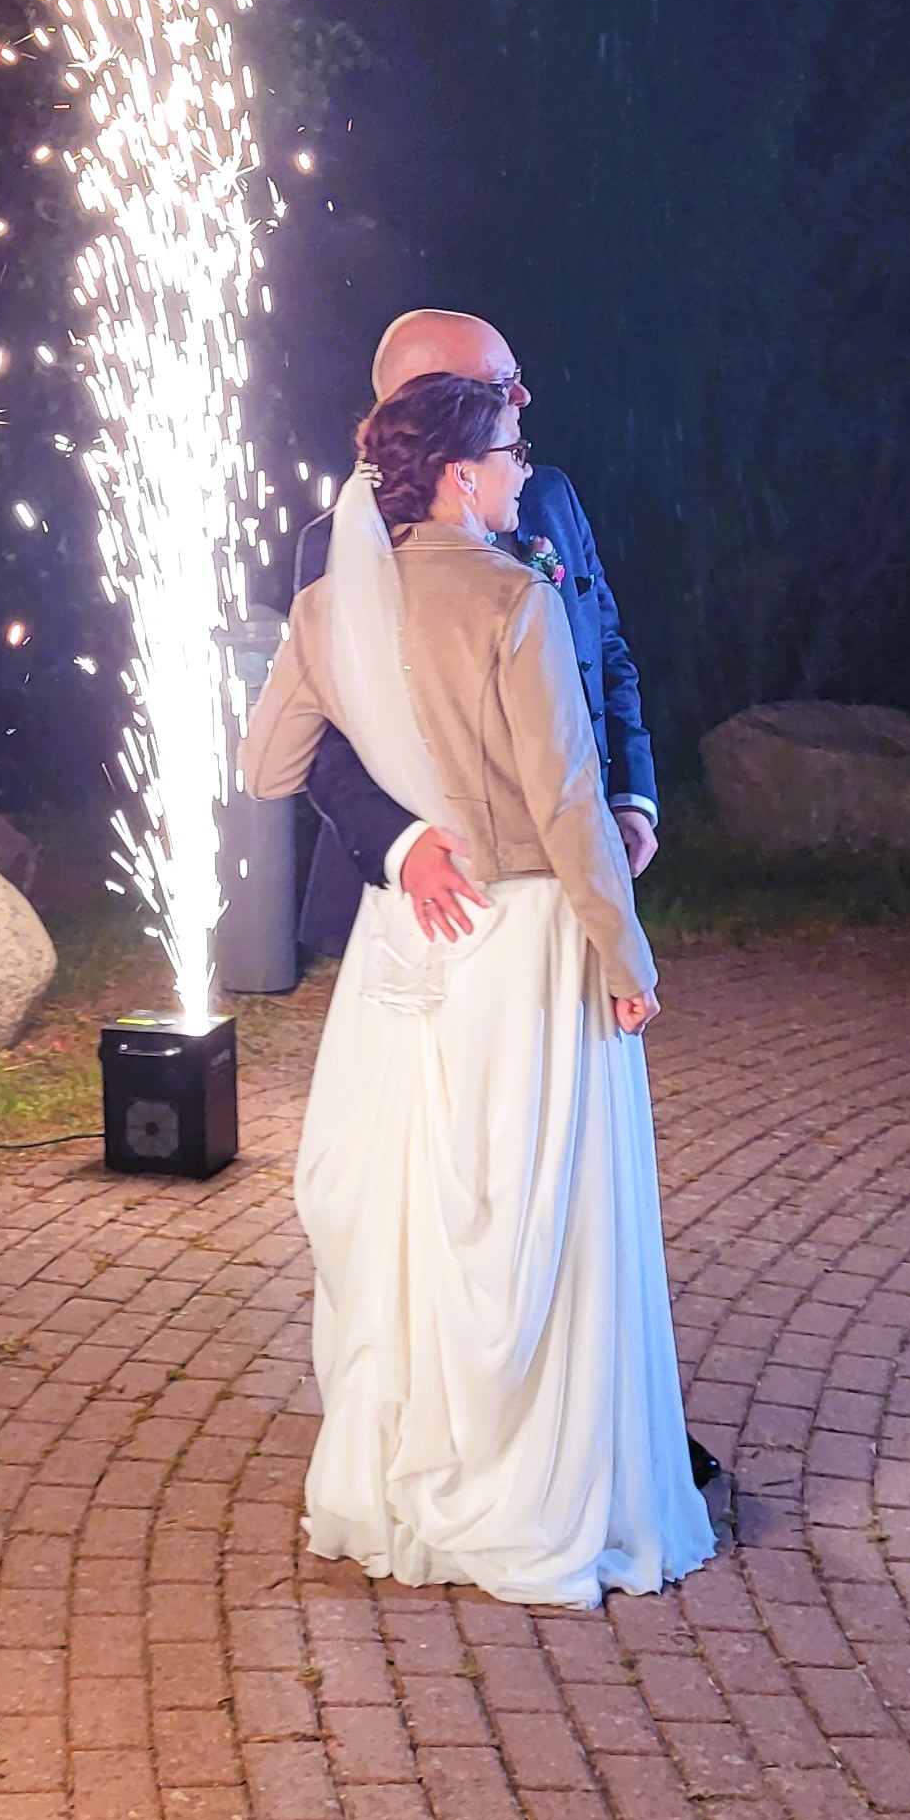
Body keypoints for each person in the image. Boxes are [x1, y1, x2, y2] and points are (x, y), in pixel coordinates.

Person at [238, 368, 713, 1609]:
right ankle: (531, 1489)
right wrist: (628, 955)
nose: (523, 470)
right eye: (509, 451)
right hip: (526, 941)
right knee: (533, 1221)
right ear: (460, 475)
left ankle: (414, 1467)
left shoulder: (329, 607)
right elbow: (566, 801)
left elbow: (268, 765)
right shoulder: (513, 598)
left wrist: (403, 817)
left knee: (418, 1210)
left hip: (408, 940)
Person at [293, 310, 655, 964]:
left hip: (573, 867)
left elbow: (603, 649)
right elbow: (321, 738)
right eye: (500, 383)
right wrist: (401, 845)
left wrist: (630, 795)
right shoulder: (341, 543)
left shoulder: (546, 496)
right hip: (438, 893)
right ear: (428, 402)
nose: (523, 396)